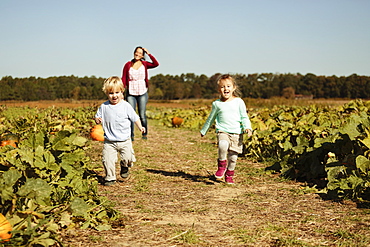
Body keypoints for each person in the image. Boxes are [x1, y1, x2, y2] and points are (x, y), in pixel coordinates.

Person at [200, 74, 253, 184]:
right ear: (219, 89)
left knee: (233, 157)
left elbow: (244, 116)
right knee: (222, 145)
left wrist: (248, 127)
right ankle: (222, 165)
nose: (226, 89)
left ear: (234, 88)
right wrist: (204, 130)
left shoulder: (239, 102)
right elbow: (211, 118)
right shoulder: (217, 104)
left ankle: (229, 174)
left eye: (228, 86)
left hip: (237, 133)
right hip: (222, 130)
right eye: (223, 87)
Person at [95, 76, 146, 186]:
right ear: (107, 94)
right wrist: (97, 120)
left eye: (117, 92)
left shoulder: (126, 106)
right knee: (107, 160)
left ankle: (124, 166)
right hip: (109, 141)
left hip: (124, 140)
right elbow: (97, 117)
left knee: (128, 158)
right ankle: (110, 178)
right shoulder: (104, 107)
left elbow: (135, 118)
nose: (114, 96)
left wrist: (140, 127)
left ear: (122, 92)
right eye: (111, 93)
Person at [121, 46, 159, 141]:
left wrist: (149, 53)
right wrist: (121, 91)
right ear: (134, 53)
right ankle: (131, 136)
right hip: (131, 93)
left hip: (142, 92)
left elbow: (156, 64)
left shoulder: (145, 64)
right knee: (130, 114)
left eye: (140, 53)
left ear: (142, 55)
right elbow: (124, 78)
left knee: (142, 114)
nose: (137, 54)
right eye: (136, 52)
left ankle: (144, 134)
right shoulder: (128, 65)